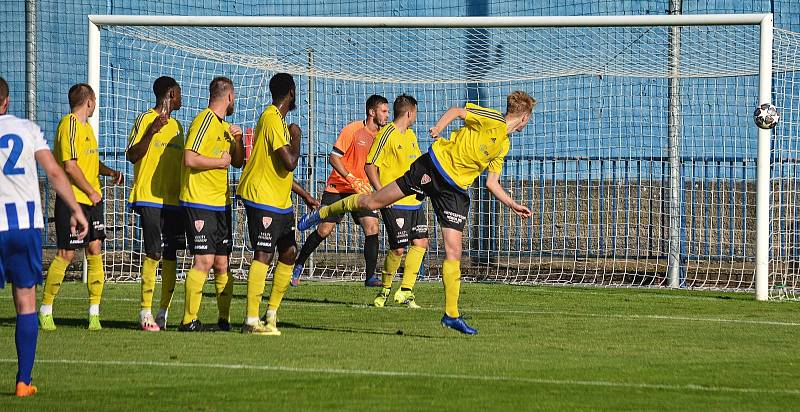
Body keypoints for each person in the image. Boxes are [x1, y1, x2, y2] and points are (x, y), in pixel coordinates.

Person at [299, 91, 537, 334]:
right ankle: (323, 211)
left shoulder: (504, 145)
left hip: (454, 191)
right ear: (524, 117)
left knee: (454, 250)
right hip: (433, 167)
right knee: (372, 203)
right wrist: (438, 128)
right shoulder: (493, 119)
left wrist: (512, 204)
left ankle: (451, 315)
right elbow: (457, 111)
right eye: (528, 119)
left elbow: (491, 183)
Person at [0, 76, 89, 396]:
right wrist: (76, 209)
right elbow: (53, 171)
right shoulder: (27, 129)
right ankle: (23, 381)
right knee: (25, 303)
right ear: (7, 101)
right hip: (23, 227)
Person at [236, 73, 318, 335]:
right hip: (262, 198)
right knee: (264, 254)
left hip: (280, 201)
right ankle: (251, 321)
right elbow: (290, 162)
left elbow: (280, 171)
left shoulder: (280, 122)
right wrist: (297, 135)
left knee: (289, 252)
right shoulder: (272, 118)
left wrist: (304, 196)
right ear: (291, 92)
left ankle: (271, 314)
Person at [40, 83, 123, 332]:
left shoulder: (87, 129)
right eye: (95, 101)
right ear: (89, 102)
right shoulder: (70, 125)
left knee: (95, 250)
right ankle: (45, 310)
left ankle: (94, 313)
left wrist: (109, 172)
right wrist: (90, 190)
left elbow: (88, 162)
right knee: (66, 254)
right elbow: (71, 166)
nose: (95, 105)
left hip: (91, 202)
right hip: (72, 201)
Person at [291, 94, 389, 287]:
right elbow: (334, 158)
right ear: (372, 112)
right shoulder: (352, 130)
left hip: (361, 190)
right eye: (384, 111)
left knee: (372, 227)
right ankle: (299, 264)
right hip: (339, 185)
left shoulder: (383, 136)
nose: (387, 115)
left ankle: (370, 277)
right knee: (325, 230)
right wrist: (350, 177)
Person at [178, 76, 245, 332]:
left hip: (220, 204)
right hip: (199, 202)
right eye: (234, 97)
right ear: (228, 96)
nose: (234, 101)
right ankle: (188, 321)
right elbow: (189, 159)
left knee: (221, 263)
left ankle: (224, 320)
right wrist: (219, 163)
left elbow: (237, 162)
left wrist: (237, 141)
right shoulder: (203, 121)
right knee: (203, 261)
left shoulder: (225, 127)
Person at [125, 76, 185, 331]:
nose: (182, 97)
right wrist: (151, 132)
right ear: (171, 94)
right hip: (149, 197)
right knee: (153, 253)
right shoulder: (145, 119)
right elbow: (132, 155)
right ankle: (145, 312)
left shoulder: (179, 128)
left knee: (171, 255)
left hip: (174, 201)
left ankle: (163, 313)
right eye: (179, 93)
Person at [365, 95, 428, 308]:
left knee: (421, 242)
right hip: (394, 201)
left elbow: (417, 166)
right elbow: (370, 166)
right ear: (409, 113)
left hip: (415, 200)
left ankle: (406, 291)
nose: (416, 117)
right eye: (416, 113)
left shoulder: (411, 135)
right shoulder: (386, 134)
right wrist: (382, 194)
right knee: (399, 248)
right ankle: (384, 290)